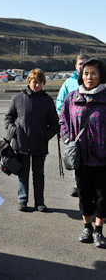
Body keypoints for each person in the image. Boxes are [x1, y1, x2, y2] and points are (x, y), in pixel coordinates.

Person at [60, 58, 106, 249]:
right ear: (81, 75)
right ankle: (87, 227)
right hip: (81, 158)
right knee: (84, 194)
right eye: (86, 73)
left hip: (103, 159)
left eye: (93, 73)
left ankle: (98, 231)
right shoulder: (72, 98)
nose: (89, 76)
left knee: (103, 196)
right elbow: (62, 120)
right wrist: (67, 138)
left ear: (101, 75)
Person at [4, 68, 59, 212]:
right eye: (35, 82)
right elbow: (8, 118)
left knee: (38, 174)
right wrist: (13, 130)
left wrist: (45, 136)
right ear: (29, 81)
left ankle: (39, 202)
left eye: (40, 82)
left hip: (39, 145)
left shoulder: (47, 100)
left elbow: (55, 123)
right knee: (23, 173)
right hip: (21, 144)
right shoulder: (17, 98)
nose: (37, 85)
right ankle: (22, 200)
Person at [56, 54, 91, 197]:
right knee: (75, 157)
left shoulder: (96, 81)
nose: (83, 66)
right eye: (80, 63)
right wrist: (65, 127)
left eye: (86, 63)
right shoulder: (68, 84)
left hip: (93, 131)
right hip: (74, 130)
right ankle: (78, 185)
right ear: (75, 66)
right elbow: (60, 105)